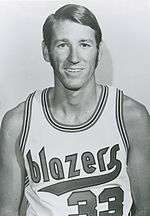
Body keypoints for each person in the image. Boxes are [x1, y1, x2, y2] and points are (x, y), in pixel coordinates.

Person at [0, 4, 150, 216]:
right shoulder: (18, 123)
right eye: (62, 45)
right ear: (46, 51)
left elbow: (145, 208)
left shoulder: (130, 117)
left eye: (85, 44)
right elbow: (7, 210)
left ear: (98, 49)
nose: (74, 58)